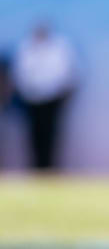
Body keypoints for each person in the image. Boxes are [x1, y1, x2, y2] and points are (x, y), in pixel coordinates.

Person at [12, 23, 77, 170]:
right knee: (34, 135)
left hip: (53, 98)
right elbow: (20, 73)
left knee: (51, 134)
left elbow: (68, 71)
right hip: (31, 99)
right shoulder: (26, 47)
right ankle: (36, 168)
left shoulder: (60, 46)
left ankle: (50, 168)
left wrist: (62, 91)